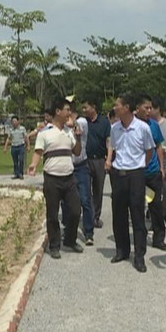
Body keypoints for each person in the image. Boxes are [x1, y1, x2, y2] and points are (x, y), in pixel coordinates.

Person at [27, 98, 83, 259]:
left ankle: (70, 240)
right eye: (67, 110)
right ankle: (54, 245)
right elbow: (38, 152)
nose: (69, 113)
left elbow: (77, 152)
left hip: (69, 178)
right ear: (58, 112)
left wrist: (78, 137)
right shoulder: (44, 133)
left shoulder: (69, 132)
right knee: (52, 214)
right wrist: (33, 165)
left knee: (75, 211)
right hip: (52, 178)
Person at [107, 93, 155, 273]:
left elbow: (149, 151)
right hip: (118, 174)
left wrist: (140, 166)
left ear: (126, 108)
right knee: (118, 214)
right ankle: (122, 250)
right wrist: (110, 162)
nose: (114, 108)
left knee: (137, 215)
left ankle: (139, 256)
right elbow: (113, 146)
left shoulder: (142, 128)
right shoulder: (115, 128)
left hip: (136, 174)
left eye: (117, 105)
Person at [135, 93, 166, 251]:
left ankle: (159, 238)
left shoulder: (154, 125)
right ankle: (140, 237)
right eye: (146, 108)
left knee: (155, 205)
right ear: (137, 108)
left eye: (150, 108)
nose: (149, 111)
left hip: (153, 172)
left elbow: (158, 146)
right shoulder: (132, 125)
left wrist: (161, 167)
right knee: (137, 206)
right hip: (137, 173)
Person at [67, 105, 95, 246]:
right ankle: (68, 230)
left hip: (81, 166)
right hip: (68, 167)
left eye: (68, 110)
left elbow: (74, 125)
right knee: (66, 201)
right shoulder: (61, 128)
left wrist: (70, 119)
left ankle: (88, 232)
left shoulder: (82, 122)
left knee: (85, 199)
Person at [83, 98, 111, 229]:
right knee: (86, 190)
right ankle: (88, 216)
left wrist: (108, 159)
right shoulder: (83, 122)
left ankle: (96, 217)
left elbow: (108, 141)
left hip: (100, 160)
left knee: (98, 190)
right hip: (85, 160)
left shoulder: (104, 122)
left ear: (93, 107)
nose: (84, 110)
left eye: (86, 107)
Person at [150, 97, 166, 227]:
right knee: (151, 192)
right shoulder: (147, 124)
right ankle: (152, 214)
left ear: (158, 109)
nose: (149, 111)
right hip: (151, 162)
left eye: (151, 108)